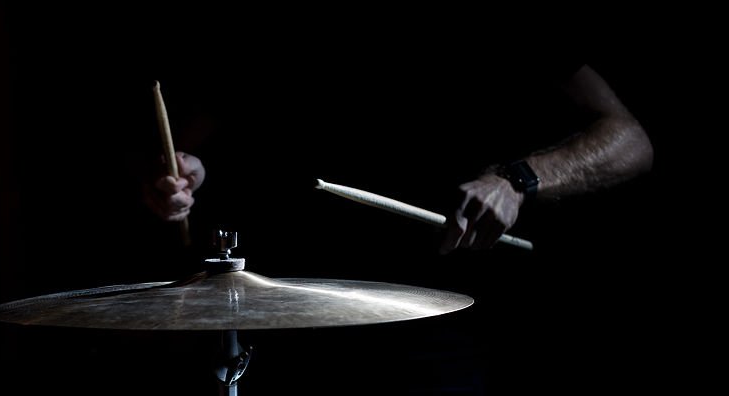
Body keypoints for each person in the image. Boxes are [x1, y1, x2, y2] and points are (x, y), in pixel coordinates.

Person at [144, 64, 652, 255]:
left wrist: (517, 181)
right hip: (285, 295)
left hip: (437, 306)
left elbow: (630, 140)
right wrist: (183, 177)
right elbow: (189, 151)